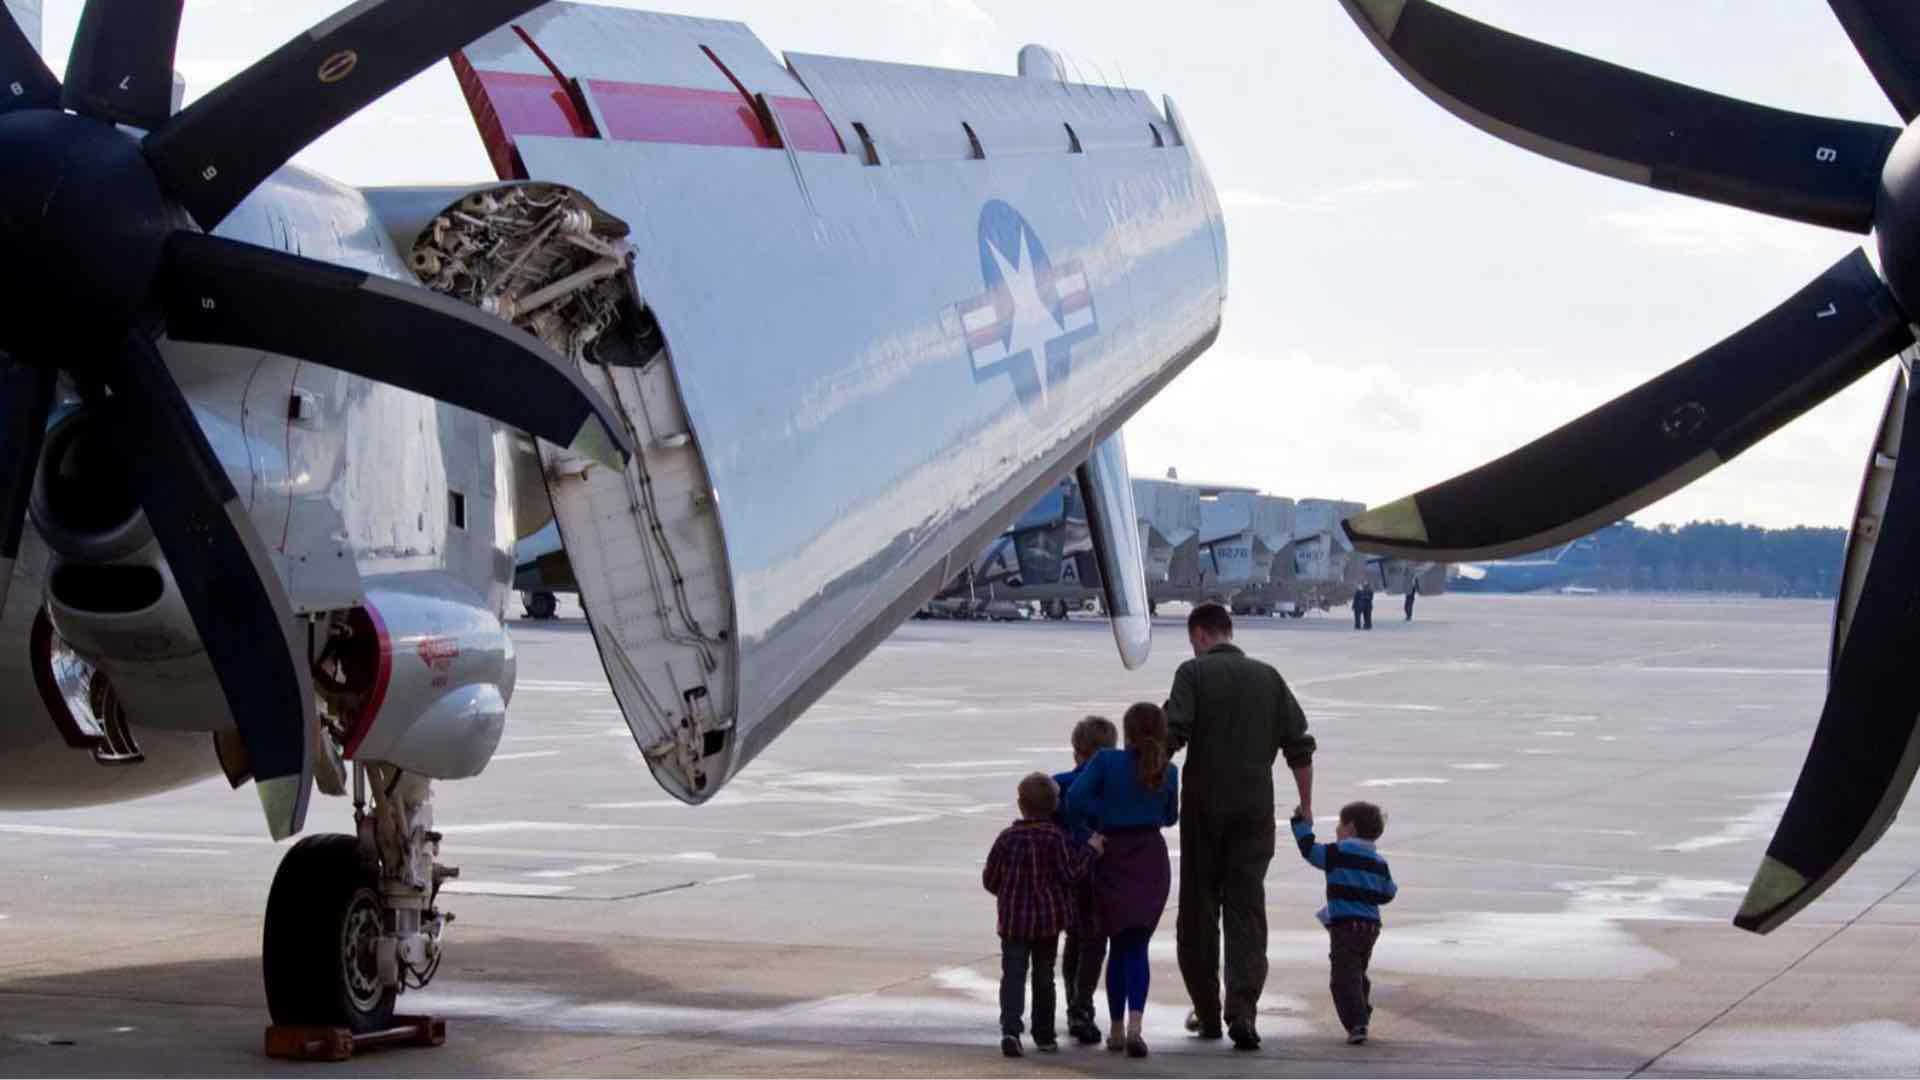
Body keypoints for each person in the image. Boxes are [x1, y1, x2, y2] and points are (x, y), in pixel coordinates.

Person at [1165, 602, 1316, 1051]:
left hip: (1204, 811)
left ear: (1199, 636)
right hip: (1254, 810)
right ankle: (1243, 1011)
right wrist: (1306, 806)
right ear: (1230, 632)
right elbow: (1300, 748)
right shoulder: (1269, 677)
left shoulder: (1192, 675)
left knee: (1198, 911)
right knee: (1247, 910)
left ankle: (1209, 1014)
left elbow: (1171, 735)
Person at [1066, 703, 1179, 1058]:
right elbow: (1170, 817)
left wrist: (1091, 830)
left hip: (1112, 855)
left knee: (1117, 945)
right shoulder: (1169, 770)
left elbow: (1073, 799)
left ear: (1126, 732)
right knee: (1138, 948)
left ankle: (1115, 1030)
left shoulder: (1105, 762)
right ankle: (1135, 1026)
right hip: (1149, 857)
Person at [983, 773, 1103, 1057]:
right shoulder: (1056, 837)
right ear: (1054, 806)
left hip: (1013, 922)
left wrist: (1007, 892)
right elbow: (1070, 873)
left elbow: (990, 879)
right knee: (1044, 976)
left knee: (1013, 975)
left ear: (1020, 804)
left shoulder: (1006, 839)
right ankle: (1044, 1034)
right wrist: (1091, 850)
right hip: (1048, 923)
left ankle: (1011, 1029)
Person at [1291, 801, 1397, 1045]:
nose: (1337, 830)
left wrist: (1300, 825)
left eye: (1340, 824)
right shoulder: (1378, 862)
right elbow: (1388, 892)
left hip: (1345, 928)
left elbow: (1310, 851)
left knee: (1342, 977)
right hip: (1370, 928)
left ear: (1350, 828)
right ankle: (1361, 1006)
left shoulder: (1337, 854)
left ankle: (1356, 1022)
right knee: (1356, 970)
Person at [1053, 716, 1119, 1046]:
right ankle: (1082, 1004)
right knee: (1095, 942)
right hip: (1101, 876)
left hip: (1068, 876)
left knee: (1074, 941)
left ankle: (1073, 1004)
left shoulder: (1059, 785)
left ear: (1076, 751)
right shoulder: (1115, 789)